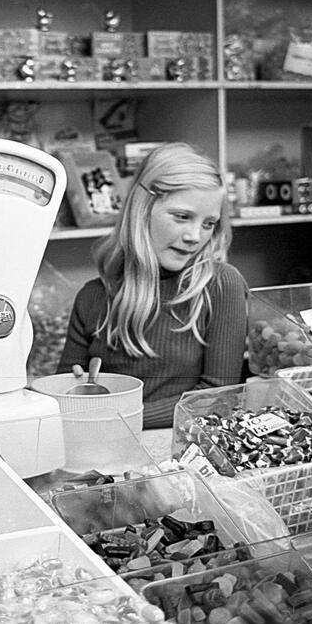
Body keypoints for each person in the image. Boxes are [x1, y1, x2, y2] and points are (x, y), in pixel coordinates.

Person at [56, 142, 248, 428]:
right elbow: (61, 397)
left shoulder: (221, 285)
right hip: (103, 451)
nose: (195, 236)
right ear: (142, 209)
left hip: (184, 455)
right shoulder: (92, 297)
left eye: (209, 224)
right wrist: (73, 393)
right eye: (182, 217)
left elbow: (216, 398)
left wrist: (116, 418)